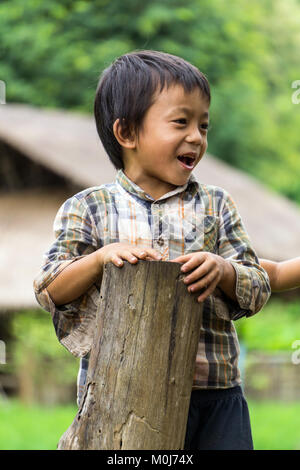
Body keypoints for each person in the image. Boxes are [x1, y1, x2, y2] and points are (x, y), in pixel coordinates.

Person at [33, 50, 270, 450]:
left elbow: (259, 282)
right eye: (181, 121)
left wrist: (224, 271)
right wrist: (99, 259)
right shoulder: (88, 208)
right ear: (127, 133)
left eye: (204, 125)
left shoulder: (216, 205)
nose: (196, 136)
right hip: (122, 397)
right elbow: (49, 289)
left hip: (214, 396)